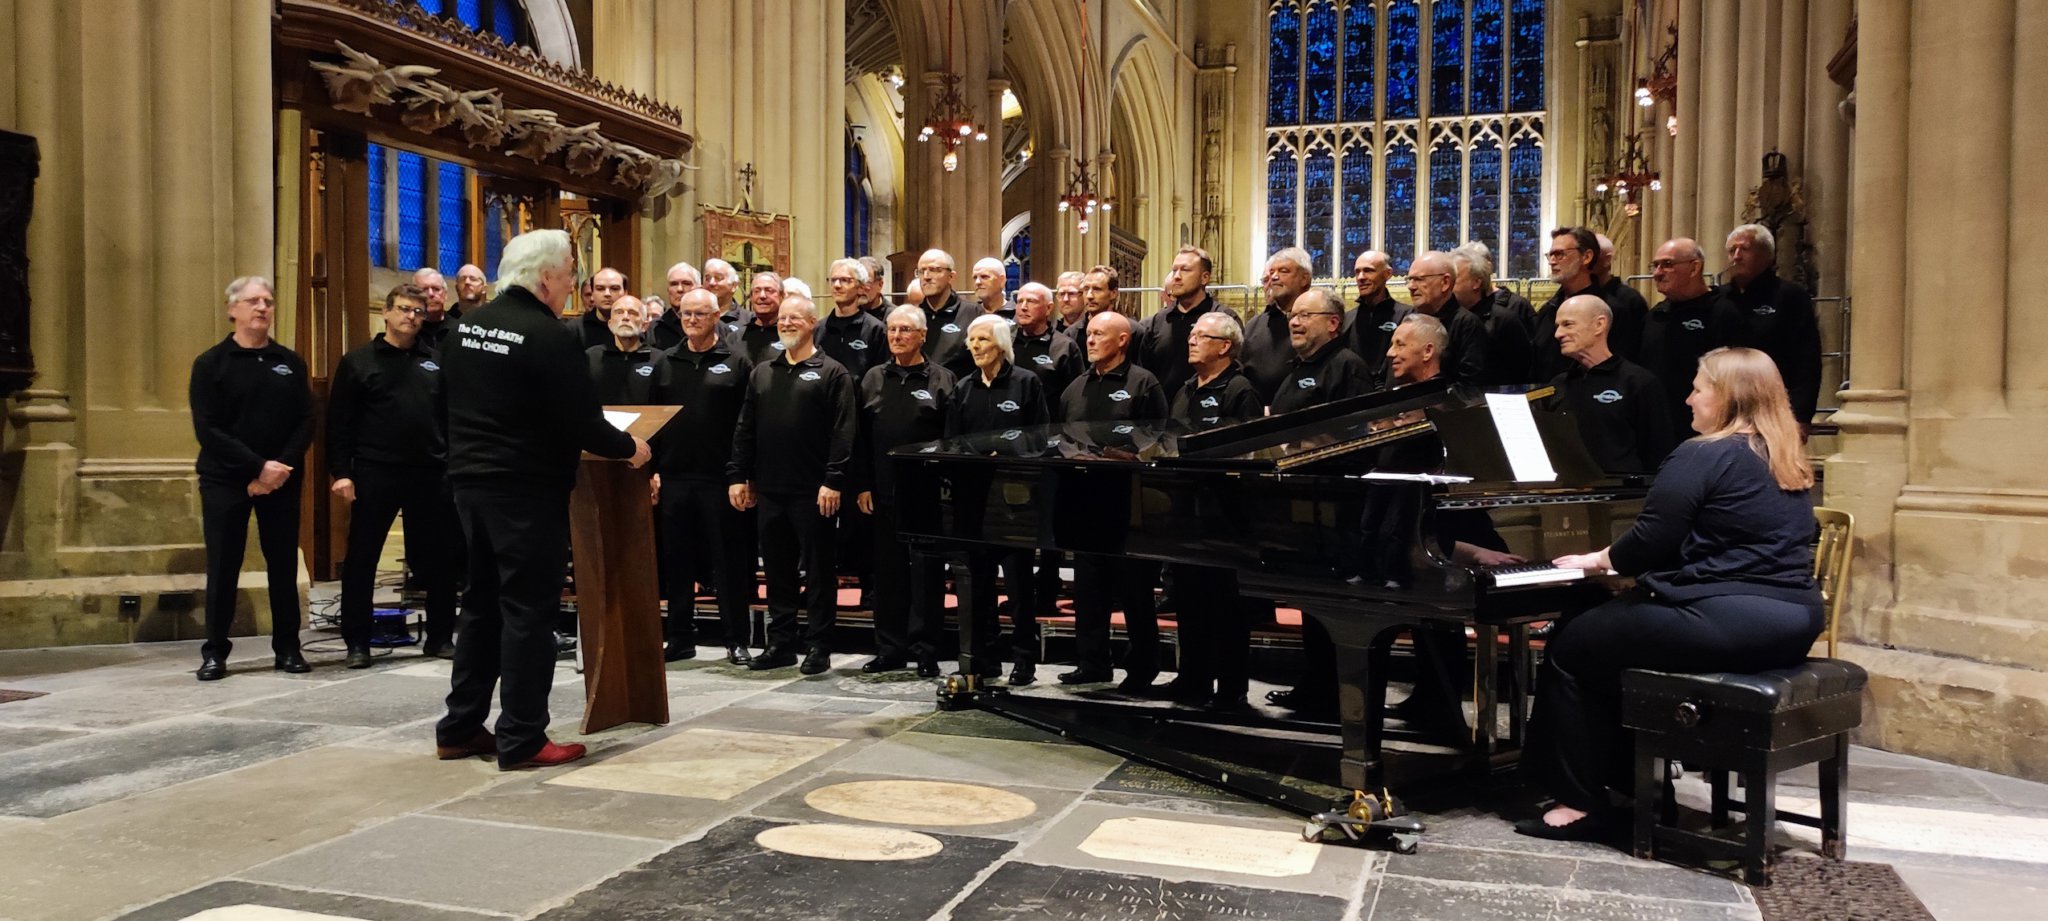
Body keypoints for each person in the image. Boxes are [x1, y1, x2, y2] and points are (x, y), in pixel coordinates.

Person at [1519, 347, 1824, 839]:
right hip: (1795, 622)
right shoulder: (1781, 455)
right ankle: (1631, 782)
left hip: (1727, 622)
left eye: (1698, 389)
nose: (1688, 400)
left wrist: (1598, 560)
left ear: (1726, 397)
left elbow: (1652, 539)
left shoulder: (1703, 453)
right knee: (1603, 631)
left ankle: (1580, 800)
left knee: (1572, 647)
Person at [436, 229, 651, 770]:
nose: (573, 283)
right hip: (526, 488)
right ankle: (523, 736)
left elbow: (440, 403)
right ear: (548, 276)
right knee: (528, 611)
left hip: (470, 483)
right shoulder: (547, 334)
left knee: (481, 603)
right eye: (571, 272)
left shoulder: (466, 327)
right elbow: (580, 420)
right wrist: (631, 448)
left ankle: (459, 727)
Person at [189, 276, 313, 681]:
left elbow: (306, 420)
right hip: (226, 479)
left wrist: (278, 468)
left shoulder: (289, 362)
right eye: (253, 301)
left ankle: (288, 648)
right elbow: (208, 429)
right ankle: (215, 652)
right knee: (224, 565)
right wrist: (257, 468)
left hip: (281, 479)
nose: (262, 307)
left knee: (283, 564)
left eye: (268, 301)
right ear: (233, 310)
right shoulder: (211, 364)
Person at [328, 284, 458, 669]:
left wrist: (452, 464)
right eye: (403, 309)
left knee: (440, 559)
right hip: (376, 471)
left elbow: (449, 419)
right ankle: (357, 642)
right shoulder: (358, 362)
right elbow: (339, 424)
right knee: (362, 559)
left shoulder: (435, 362)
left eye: (418, 312)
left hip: (431, 471)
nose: (410, 317)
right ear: (386, 312)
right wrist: (341, 473)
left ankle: (439, 637)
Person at [729, 292, 858, 675]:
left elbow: (843, 432)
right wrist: (740, 475)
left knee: (818, 573)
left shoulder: (833, 372)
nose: (786, 323)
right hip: (770, 489)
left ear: (812, 324)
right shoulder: (763, 372)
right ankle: (780, 644)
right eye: (783, 318)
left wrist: (833, 480)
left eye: (794, 318)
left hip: (814, 491)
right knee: (777, 572)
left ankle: (819, 645)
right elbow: (745, 428)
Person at [1057, 311, 1170, 692]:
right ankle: (1092, 663)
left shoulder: (1143, 383)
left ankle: (1142, 667)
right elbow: (1063, 437)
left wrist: (1121, 456)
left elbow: (1157, 438)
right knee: (1089, 590)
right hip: (1084, 501)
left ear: (1122, 340)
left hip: (1128, 503)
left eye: (1099, 334)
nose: (1089, 340)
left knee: (1135, 591)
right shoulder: (1075, 387)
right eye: (1088, 334)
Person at [1164, 311, 1263, 710]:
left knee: (1225, 606)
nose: (1191, 340)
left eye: (1201, 336)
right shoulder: (1186, 388)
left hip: (1225, 515)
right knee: (1189, 601)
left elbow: (1248, 452)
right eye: (1191, 334)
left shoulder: (1240, 389)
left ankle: (1231, 687)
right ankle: (1193, 678)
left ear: (1224, 346)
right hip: (1186, 510)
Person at [947, 313, 1052, 684]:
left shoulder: (1026, 383)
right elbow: (952, 442)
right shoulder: (963, 388)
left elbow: (1040, 439)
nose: (975, 347)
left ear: (1002, 345)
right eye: (972, 341)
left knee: (1019, 585)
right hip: (974, 501)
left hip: (1014, 502)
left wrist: (1008, 457)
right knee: (979, 584)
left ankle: (1024, 659)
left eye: (983, 340)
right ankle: (986, 657)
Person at [654, 289, 756, 665]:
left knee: (727, 562)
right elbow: (654, 421)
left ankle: (736, 639)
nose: (692, 320)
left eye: (699, 314)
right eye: (686, 314)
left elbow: (748, 423)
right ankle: (680, 637)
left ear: (715, 317)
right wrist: (653, 470)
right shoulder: (666, 361)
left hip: (721, 478)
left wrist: (743, 474)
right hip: (675, 476)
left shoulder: (737, 361)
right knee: (677, 560)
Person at [855, 305, 956, 678]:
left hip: (926, 496)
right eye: (892, 330)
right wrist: (863, 485)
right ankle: (889, 649)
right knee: (887, 575)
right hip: (882, 494)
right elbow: (860, 439)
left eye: (905, 330)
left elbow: (951, 440)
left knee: (927, 578)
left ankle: (926, 651)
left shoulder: (942, 380)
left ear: (922, 335)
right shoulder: (873, 378)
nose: (896, 336)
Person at [1544, 295, 1675, 475]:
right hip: (1567, 490)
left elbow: (1659, 452)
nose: (1558, 334)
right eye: (1557, 326)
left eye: (1568, 324)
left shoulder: (1639, 383)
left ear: (1599, 324)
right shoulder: (1558, 385)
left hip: (1624, 491)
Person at [1640, 238, 1749, 434]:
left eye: (1667, 264)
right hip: (1657, 426)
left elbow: (1736, 378)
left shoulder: (1724, 312)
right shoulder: (1655, 315)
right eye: (1655, 266)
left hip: (1706, 427)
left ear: (1694, 268)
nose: (1657, 273)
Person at [1721, 224, 1822, 425]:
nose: (1736, 256)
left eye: (1744, 249)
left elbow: (1806, 359)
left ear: (1768, 256)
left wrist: (1801, 415)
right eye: (1732, 250)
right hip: (1726, 405)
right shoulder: (1719, 298)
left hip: (1774, 406)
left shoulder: (1790, 296)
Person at [1132, 246, 1221, 396]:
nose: (1177, 276)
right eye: (1174, 270)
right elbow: (1143, 374)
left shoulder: (1221, 318)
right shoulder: (1156, 323)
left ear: (1204, 278)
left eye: (1185, 270)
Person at [1269, 287, 1373, 415]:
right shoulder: (1297, 367)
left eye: (1304, 315)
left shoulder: (1348, 367)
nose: (1294, 323)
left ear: (1332, 323)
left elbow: (1355, 423)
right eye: (1292, 316)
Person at [1452, 245, 1536, 388]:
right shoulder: (1450, 317)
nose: (1447, 286)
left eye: (1454, 279)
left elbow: (1522, 369)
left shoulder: (1504, 319)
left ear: (1476, 282)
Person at [1240, 247, 1316, 404]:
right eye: (1272, 272)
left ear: (1304, 279)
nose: (1274, 277)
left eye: (1283, 271)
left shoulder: (1319, 320)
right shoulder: (1254, 326)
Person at [1401, 251, 1488, 386]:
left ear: (1445, 282)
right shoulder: (1408, 320)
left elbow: (1469, 385)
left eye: (1419, 279)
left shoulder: (1467, 324)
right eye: (1409, 279)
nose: (1411, 286)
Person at [585, 296, 669, 404]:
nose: (625, 317)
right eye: (619, 312)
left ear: (644, 325)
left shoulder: (659, 360)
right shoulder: (592, 357)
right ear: (610, 324)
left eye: (632, 313)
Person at [1344, 250, 1408, 388]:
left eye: (1368, 271)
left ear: (1387, 274)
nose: (1361, 277)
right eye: (1357, 272)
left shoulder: (1406, 316)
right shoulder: (1347, 320)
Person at [818, 258, 889, 381]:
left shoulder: (876, 330)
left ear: (861, 287)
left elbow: (881, 377)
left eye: (845, 280)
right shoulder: (818, 329)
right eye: (833, 280)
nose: (837, 285)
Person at [1590, 233, 1650, 362]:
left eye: (1591, 254)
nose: (1585, 260)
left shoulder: (1629, 299)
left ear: (1607, 259)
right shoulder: (1574, 295)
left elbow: (1636, 346)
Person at [915, 249, 973, 377]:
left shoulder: (973, 314)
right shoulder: (914, 316)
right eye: (921, 271)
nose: (926, 277)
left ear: (951, 276)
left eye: (934, 270)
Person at [732, 270, 787, 366]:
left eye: (769, 290)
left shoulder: (790, 335)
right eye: (757, 291)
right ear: (751, 297)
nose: (762, 296)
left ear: (782, 296)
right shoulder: (736, 337)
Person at [566, 267, 627, 350]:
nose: (607, 294)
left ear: (625, 293)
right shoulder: (574, 329)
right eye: (600, 289)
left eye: (614, 288)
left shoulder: (636, 326)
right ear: (593, 293)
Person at [1063, 265, 1121, 347]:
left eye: (1097, 289)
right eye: (1086, 289)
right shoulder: (1071, 334)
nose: (1089, 296)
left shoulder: (1132, 331)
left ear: (1113, 293)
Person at [647, 261, 700, 350]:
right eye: (674, 284)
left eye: (686, 283)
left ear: (699, 288)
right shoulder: (655, 328)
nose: (680, 289)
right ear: (668, 290)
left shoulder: (712, 324)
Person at [702, 258, 746, 330]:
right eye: (708, 278)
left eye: (718, 278)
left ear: (734, 286)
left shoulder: (748, 320)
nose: (711, 283)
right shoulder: (692, 316)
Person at [1053, 270, 1087, 336]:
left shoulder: (1092, 330)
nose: (1066, 299)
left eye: (1072, 293)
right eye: (1062, 294)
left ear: (1084, 295)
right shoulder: (1051, 331)